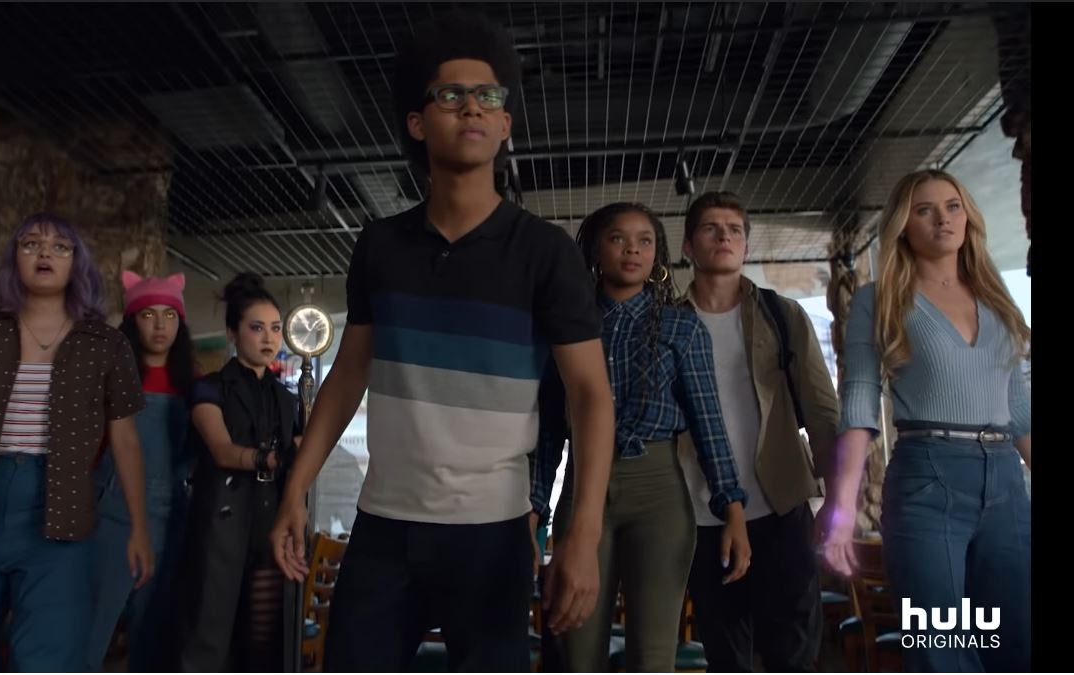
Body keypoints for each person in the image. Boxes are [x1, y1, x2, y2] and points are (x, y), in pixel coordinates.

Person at [269, 10, 615, 672]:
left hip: (493, 530)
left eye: (488, 95)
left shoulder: (544, 253)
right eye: (450, 94)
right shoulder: (380, 245)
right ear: (417, 122)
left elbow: (591, 396)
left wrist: (583, 533)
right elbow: (348, 375)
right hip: (384, 523)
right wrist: (296, 487)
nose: (471, 107)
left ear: (506, 123)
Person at [0, 213, 154, 672]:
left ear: (77, 264)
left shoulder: (105, 345)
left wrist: (139, 527)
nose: (45, 253)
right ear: (13, 260)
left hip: (64, 510)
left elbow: (126, 441)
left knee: (51, 655)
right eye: (31, 244)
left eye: (60, 247)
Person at [822, 169, 1031, 672]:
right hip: (927, 480)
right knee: (941, 650)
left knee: (1017, 648)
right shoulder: (880, 298)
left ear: (968, 217)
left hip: (1006, 480)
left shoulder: (996, 296)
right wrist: (842, 510)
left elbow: (1021, 408)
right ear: (903, 226)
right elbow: (859, 403)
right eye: (925, 210)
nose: (943, 219)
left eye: (953, 206)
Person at [533, 202, 750, 672]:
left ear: (658, 254)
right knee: (575, 650)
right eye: (618, 238)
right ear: (596, 250)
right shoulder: (568, 326)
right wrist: (536, 513)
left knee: (652, 658)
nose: (632, 249)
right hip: (582, 491)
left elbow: (709, 424)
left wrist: (732, 509)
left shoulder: (682, 327)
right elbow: (549, 427)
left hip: (659, 497)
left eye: (645, 241)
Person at [676, 191, 840, 672]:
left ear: (746, 246)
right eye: (711, 228)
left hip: (781, 506)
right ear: (688, 246)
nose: (724, 237)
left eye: (734, 230)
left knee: (793, 652)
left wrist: (837, 495)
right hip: (702, 513)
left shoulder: (781, 314)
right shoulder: (669, 324)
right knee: (726, 655)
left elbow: (821, 408)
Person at [173, 272, 303, 672]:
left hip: (270, 520)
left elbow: (299, 460)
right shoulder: (209, 388)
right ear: (232, 333)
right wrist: (271, 459)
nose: (269, 338)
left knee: (264, 643)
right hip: (220, 522)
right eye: (256, 328)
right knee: (209, 636)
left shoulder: (287, 399)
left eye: (276, 328)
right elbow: (222, 451)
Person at [86, 272, 197, 671]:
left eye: (170, 315)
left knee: (155, 640)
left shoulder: (195, 385)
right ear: (132, 321)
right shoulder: (109, 374)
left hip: (171, 519)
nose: (160, 325)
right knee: (90, 630)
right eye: (148, 314)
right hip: (111, 514)